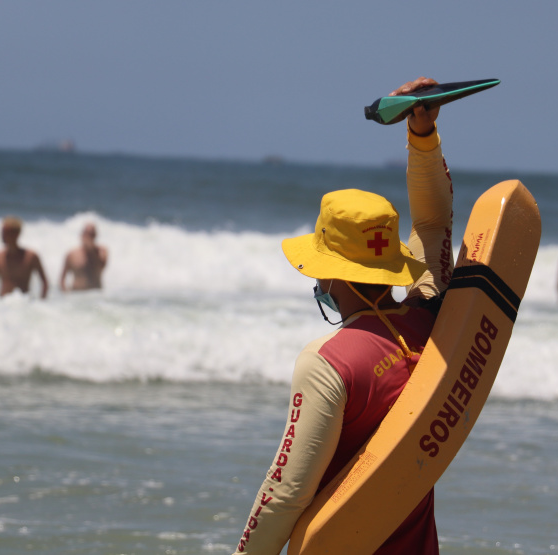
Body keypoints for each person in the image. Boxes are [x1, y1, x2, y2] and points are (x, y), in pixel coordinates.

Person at [234, 77, 453, 555]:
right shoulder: (432, 321)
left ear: (335, 274)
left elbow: (284, 494)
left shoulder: (329, 364)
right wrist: (423, 135)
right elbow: (434, 225)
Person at [0, 216, 49, 298]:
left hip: (24, 301)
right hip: (2, 302)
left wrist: (41, 302)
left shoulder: (31, 257)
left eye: (6, 232)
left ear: (16, 234)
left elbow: (44, 282)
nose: (2, 235)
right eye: (2, 232)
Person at [59, 222, 108, 292]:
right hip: (76, 294)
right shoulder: (72, 254)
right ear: (82, 235)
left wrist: (92, 250)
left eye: (92, 234)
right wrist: (65, 292)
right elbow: (62, 278)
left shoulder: (101, 251)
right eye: (87, 234)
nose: (89, 237)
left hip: (95, 294)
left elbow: (102, 266)